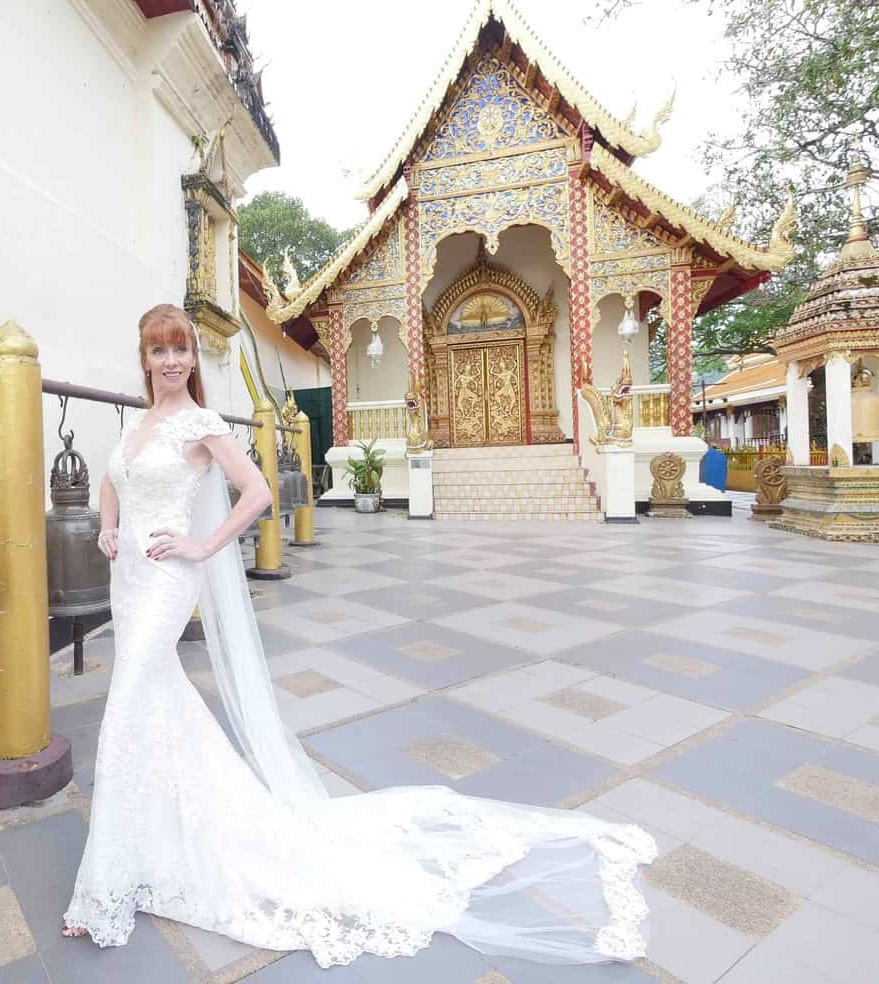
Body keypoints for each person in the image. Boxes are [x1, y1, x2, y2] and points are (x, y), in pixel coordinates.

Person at [59, 303, 656, 968]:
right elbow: (117, 480)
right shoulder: (138, 424)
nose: (170, 362)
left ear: (194, 360)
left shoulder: (199, 424)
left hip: (170, 579)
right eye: (158, 351)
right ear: (142, 359)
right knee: (153, 699)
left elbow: (255, 491)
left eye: (181, 351)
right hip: (131, 577)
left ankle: (104, 884)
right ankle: (160, 828)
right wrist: (107, 526)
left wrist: (203, 546)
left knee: (127, 701)